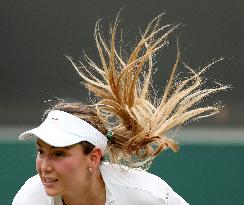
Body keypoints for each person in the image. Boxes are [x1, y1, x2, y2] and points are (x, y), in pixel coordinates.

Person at [12, 14, 228, 205]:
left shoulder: (147, 196)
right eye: (41, 151)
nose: (45, 166)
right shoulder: (29, 199)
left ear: (94, 158)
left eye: (59, 154)